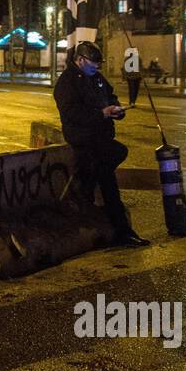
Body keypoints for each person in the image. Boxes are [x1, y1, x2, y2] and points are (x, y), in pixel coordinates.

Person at [53, 40, 148, 248]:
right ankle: (116, 233)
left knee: (103, 178)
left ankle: (117, 232)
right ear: (80, 60)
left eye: (99, 63)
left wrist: (115, 110)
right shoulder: (67, 82)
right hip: (84, 141)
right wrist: (100, 114)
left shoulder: (96, 78)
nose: (97, 66)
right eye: (93, 62)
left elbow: (110, 95)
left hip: (101, 138)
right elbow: (71, 114)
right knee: (104, 184)